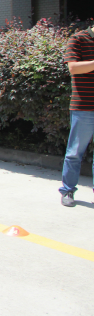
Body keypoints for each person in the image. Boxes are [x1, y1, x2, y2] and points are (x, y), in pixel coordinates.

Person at [60, 26, 94, 206]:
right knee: (75, 152)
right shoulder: (78, 39)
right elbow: (73, 68)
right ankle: (67, 190)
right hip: (84, 107)